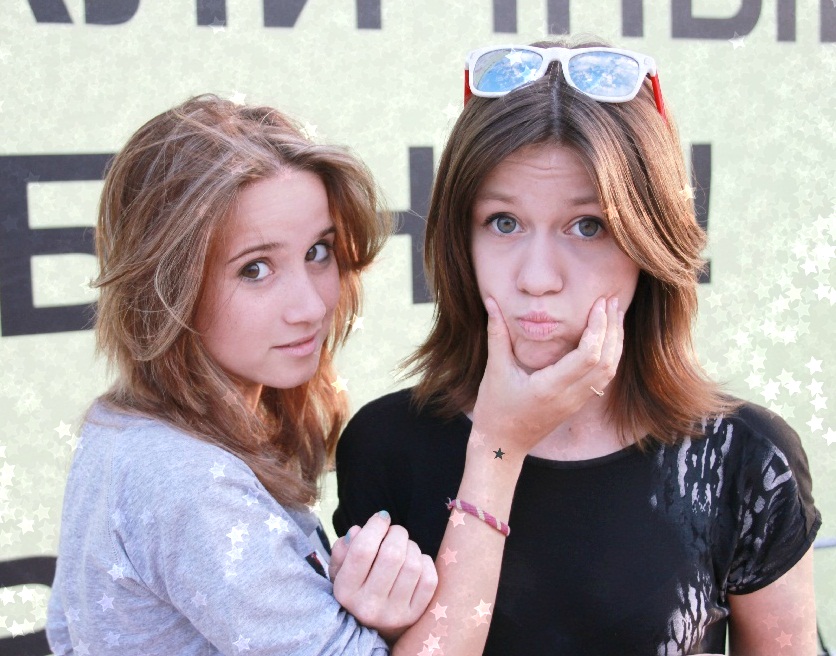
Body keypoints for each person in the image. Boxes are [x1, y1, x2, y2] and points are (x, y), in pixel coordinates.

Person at [334, 38, 821, 655]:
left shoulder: (743, 457)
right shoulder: (386, 445)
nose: (538, 277)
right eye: (504, 223)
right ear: (461, 239)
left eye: (588, 227)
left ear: (650, 241)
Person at [46, 94, 445, 655]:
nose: (310, 305)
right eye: (255, 269)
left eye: (318, 251)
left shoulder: (132, 431)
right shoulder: (186, 478)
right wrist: (498, 453)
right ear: (167, 286)